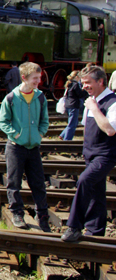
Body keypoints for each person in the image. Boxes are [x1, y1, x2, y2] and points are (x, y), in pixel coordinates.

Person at [61, 66, 116, 242]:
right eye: (83, 83)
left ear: (101, 81)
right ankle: (96, 230)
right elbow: (87, 128)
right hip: (91, 153)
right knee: (96, 191)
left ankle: (74, 226)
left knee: (85, 181)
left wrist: (94, 108)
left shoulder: (112, 102)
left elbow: (110, 129)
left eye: (88, 83)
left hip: (106, 154)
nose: (84, 86)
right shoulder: (91, 101)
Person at [0, 61, 50, 232]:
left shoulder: (40, 97)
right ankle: (17, 213)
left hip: (33, 147)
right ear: (24, 78)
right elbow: (2, 121)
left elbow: (45, 120)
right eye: (35, 78)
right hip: (15, 147)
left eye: (39, 78)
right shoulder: (11, 98)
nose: (38, 82)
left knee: (38, 183)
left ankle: (42, 216)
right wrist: (16, 135)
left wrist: (39, 134)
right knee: (14, 182)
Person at [59, 70, 88, 141]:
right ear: (77, 77)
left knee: (71, 122)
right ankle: (67, 140)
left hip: (68, 105)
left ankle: (62, 135)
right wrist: (85, 91)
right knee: (73, 124)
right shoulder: (75, 85)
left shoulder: (69, 84)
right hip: (74, 105)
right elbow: (80, 94)